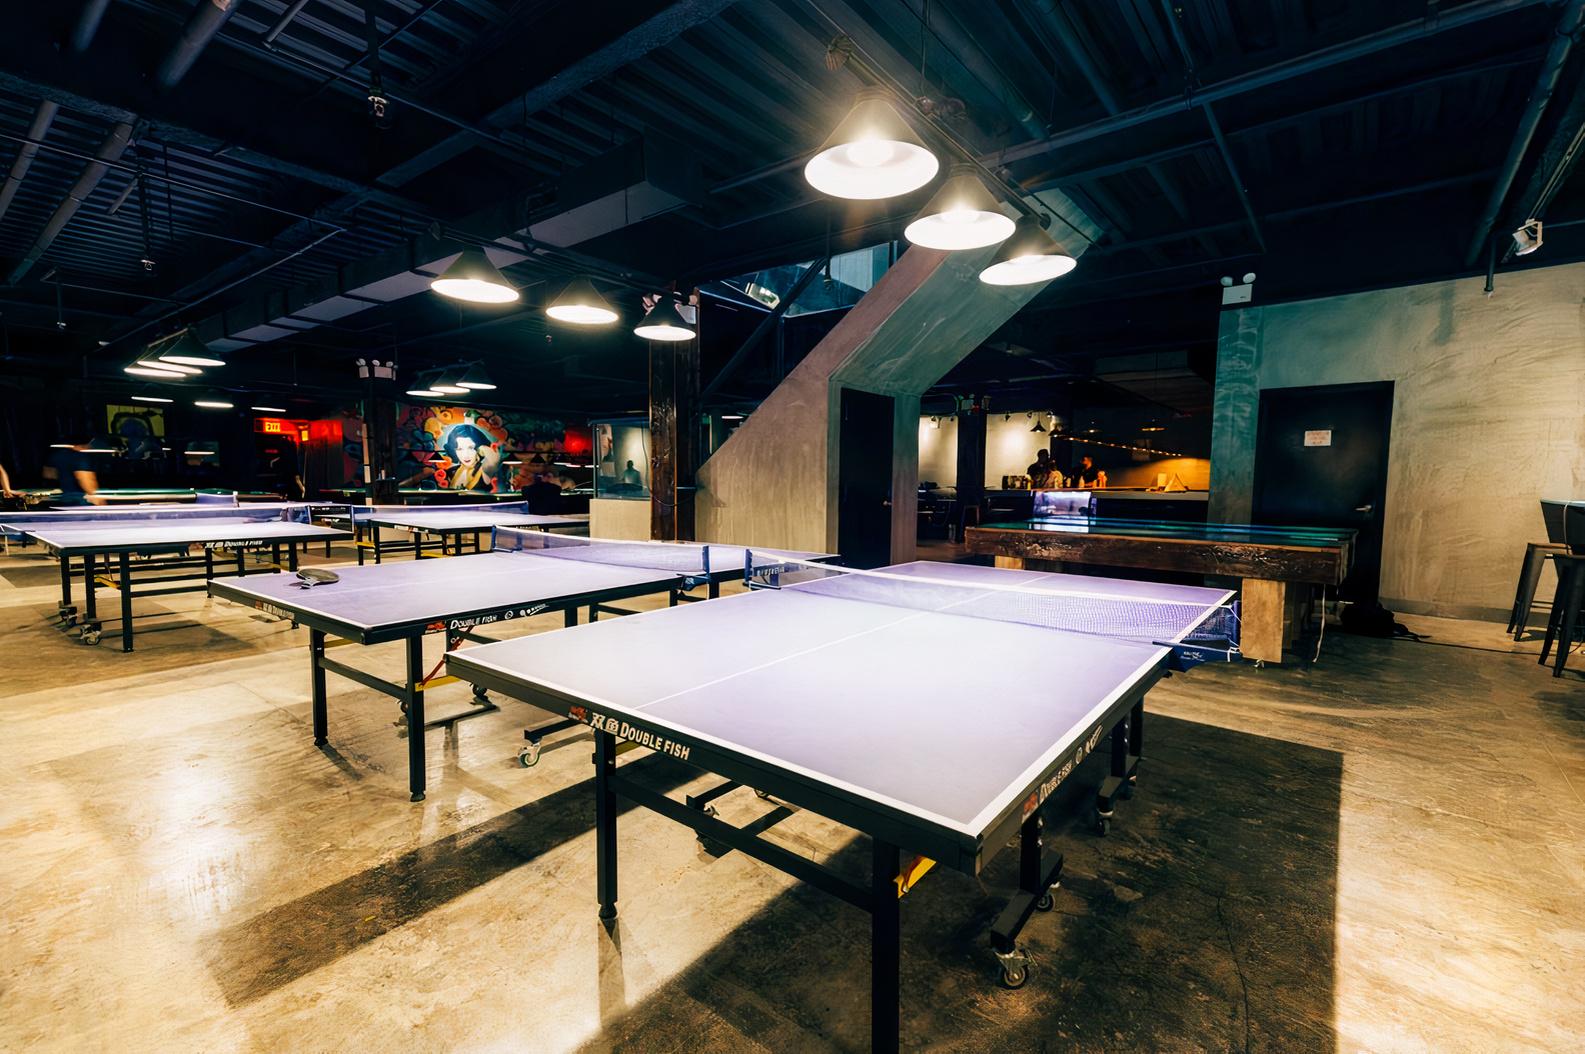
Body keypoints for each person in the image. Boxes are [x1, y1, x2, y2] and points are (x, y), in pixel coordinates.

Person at [443, 424, 501, 491]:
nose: (466, 455)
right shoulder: (451, 471)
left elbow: (494, 459)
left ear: (478, 448)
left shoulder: (484, 470)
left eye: (471, 448)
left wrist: (482, 448)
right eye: (459, 449)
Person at [44, 438, 100, 505]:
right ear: (86, 444)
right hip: (80, 499)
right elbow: (84, 479)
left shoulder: (58, 455)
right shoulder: (81, 458)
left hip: (64, 497)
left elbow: (48, 474)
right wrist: (97, 499)